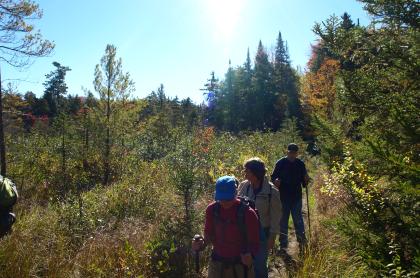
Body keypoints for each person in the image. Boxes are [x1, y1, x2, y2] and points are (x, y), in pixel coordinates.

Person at [192, 176, 260, 278]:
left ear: (236, 193)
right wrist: (200, 244)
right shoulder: (211, 210)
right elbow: (208, 236)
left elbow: (255, 242)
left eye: (228, 198)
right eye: (221, 198)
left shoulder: (248, 213)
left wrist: (251, 255)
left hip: (241, 266)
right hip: (217, 263)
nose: (224, 202)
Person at [237, 157, 282, 278]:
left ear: (256, 173)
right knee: (243, 264)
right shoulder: (243, 186)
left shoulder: (272, 191)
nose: (244, 173)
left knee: (259, 265)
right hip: (244, 232)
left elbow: (276, 216)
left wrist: (272, 237)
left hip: (262, 232)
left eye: (247, 171)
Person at [271, 143, 309, 254]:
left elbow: (304, 181)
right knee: (283, 221)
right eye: (290, 152)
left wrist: (306, 180)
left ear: (297, 153)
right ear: (287, 152)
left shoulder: (300, 164)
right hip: (283, 197)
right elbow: (273, 177)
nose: (292, 154)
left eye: (294, 153)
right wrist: (275, 181)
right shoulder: (280, 163)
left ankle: (302, 242)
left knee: (298, 220)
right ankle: (283, 245)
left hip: (296, 196)